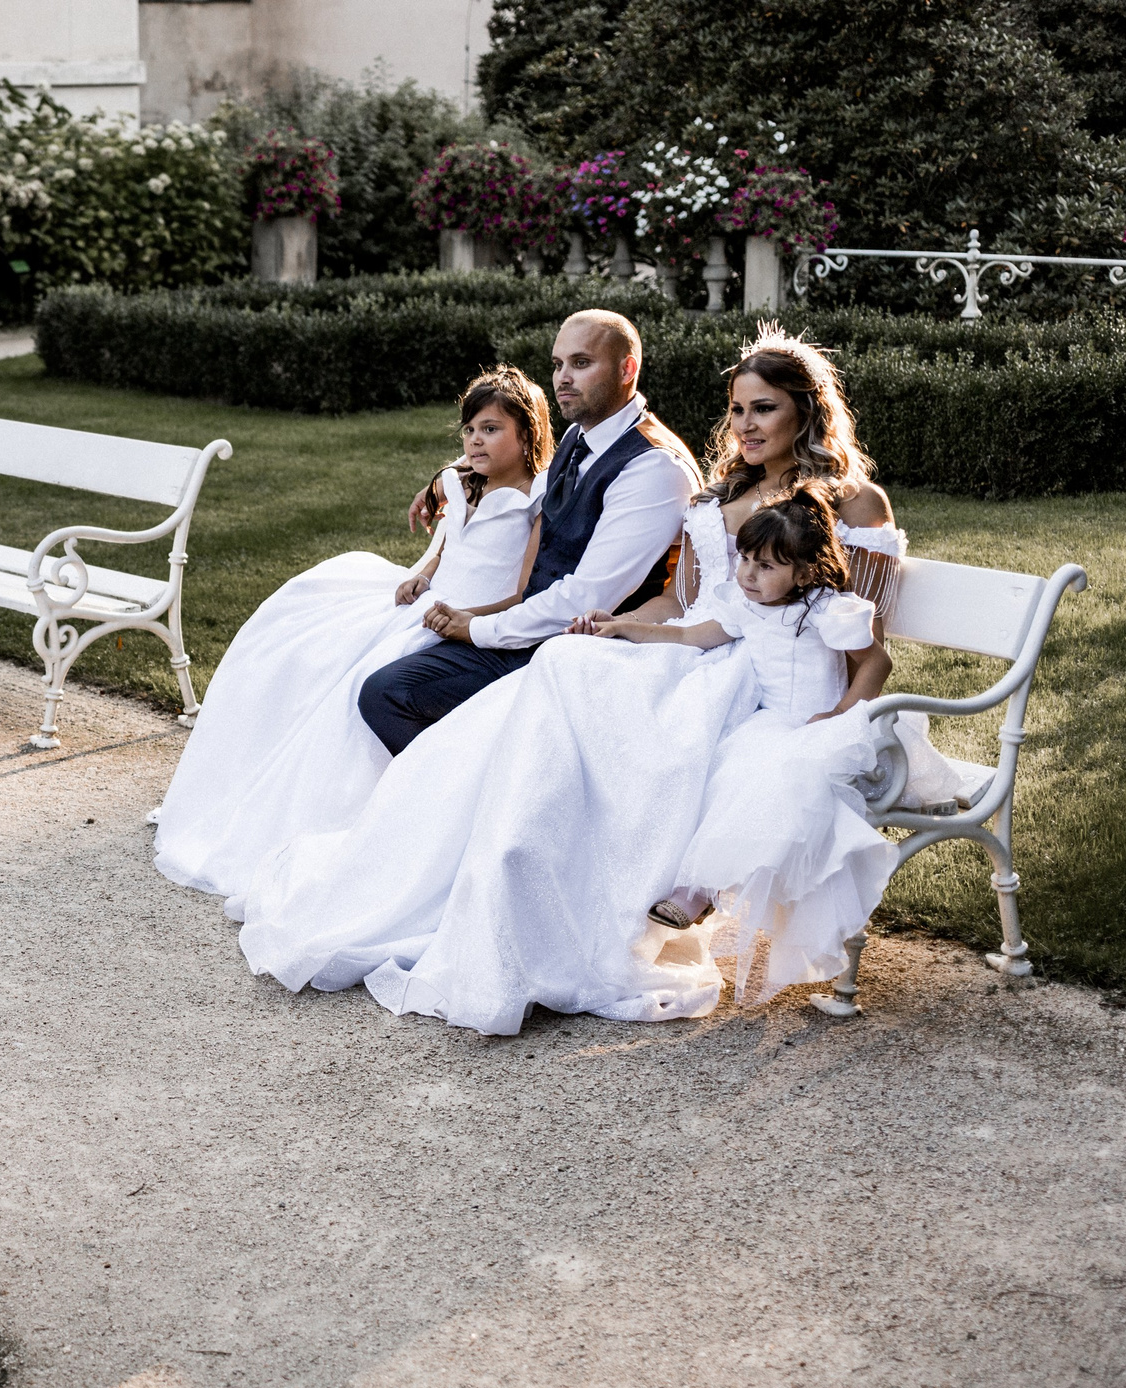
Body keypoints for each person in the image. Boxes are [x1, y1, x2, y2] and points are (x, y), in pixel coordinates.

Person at [228, 327, 924, 1036]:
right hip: (690, 648)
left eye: (764, 409)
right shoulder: (719, 497)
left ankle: (569, 902)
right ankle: (507, 876)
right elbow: (680, 605)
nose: (745, 426)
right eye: (738, 410)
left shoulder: (851, 503)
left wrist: (834, 719)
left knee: (586, 689)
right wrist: (619, 626)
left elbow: (863, 640)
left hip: (764, 681)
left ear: (806, 412)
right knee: (570, 661)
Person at [153, 366, 550, 897]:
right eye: (469, 430)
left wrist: (471, 618)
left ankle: (389, 816)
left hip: (468, 620)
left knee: (358, 685)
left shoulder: (536, 501)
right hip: (428, 603)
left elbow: (523, 592)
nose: (476, 440)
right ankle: (242, 792)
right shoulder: (459, 482)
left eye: (491, 429)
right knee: (296, 626)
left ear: (528, 435)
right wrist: (425, 573)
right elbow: (452, 543)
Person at [594, 489, 896, 1004]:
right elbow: (695, 636)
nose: (749, 576)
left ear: (803, 573)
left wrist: (841, 714)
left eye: (766, 567)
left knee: (763, 778)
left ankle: (700, 892)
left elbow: (877, 663)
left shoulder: (824, 608)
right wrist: (627, 627)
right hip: (768, 724)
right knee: (713, 769)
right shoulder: (746, 605)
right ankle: (697, 889)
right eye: (746, 561)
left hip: (817, 727)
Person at [355, 310, 698, 754]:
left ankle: (466, 792)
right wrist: (446, 478)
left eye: (580, 363)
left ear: (626, 369)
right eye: (557, 365)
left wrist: (479, 627)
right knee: (377, 666)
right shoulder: (581, 435)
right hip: (527, 626)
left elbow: (587, 598)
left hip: (576, 649)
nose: (563, 379)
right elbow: (522, 466)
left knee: (388, 694)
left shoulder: (652, 466)